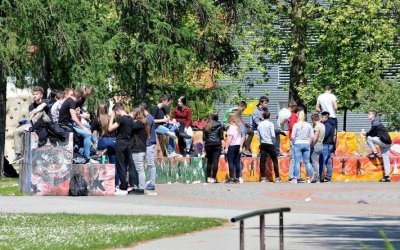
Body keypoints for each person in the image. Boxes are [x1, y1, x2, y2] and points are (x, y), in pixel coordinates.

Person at [12, 86, 50, 163]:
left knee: (39, 111)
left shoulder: (45, 101)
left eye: (36, 94)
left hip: (45, 123)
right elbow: (31, 117)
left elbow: (40, 108)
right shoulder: (31, 106)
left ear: (41, 95)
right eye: (33, 94)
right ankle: (18, 154)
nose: (34, 96)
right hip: (34, 124)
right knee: (16, 131)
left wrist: (35, 111)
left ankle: (32, 128)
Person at [58, 89, 96, 163]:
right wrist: (83, 127)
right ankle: (87, 158)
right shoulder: (72, 102)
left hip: (66, 123)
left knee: (87, 130)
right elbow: (74, 118)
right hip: (65, 125)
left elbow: (71, 115)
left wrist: (77, 113)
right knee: (87, 134)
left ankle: (84, 152)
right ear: (80, 97)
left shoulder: (69, 100)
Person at [108, 103, 135, 191]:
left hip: (120, 143)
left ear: (118, 110)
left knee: (120, 164)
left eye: (115, 112)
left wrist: (111, 117)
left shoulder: (121, 119)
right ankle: (132, 183)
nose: (115, 114)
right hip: (128, 143)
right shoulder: (131, 119)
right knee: (128, 164)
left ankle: (123, 183)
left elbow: (110, 128)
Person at [91, 104, 119, 186]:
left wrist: (92, 142)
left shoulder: (97, 120)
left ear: (98, 110)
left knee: (102, 162)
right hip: (113, 141)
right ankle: (115, 184)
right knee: (114, 164)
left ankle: (104, 183)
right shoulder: (111, 118)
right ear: (106, 110)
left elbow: (90, 131)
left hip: (103, 142)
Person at [363, 110, 392, 182]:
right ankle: (387, 177)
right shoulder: (377, 122)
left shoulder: (375, 122)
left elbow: (371, 134)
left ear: (373, 115)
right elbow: (374, 133)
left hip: (383, 141)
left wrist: (366, 133)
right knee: (386, 159)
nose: (368, 115)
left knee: (368, 138)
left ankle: (374, 153)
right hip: (387, 142)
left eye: (369, 114)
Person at [128, 107, 150, 195]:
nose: (132, 113)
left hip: (138, 149)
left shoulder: (139, 123)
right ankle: (138, 187)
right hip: (140, 148)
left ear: (137, 114)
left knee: (139, 169)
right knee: (138, 169)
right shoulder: (142, 122)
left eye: (133, 112)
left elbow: (130, 126)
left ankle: (141, 188)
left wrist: (129, 117)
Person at [291, 110, 315, 183]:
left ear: (298, 116)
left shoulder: (296, 125)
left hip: (297, 143)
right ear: (304, 117)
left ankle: (295, 178)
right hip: (306, 144)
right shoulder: (308, 125)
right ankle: (308, 178)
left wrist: (294, 142)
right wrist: (309, 142)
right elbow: (312, 136)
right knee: (307, 162)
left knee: (297, 162)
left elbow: (292, 136)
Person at [257, 111, 281, 183]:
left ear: (263, 116)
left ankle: (263, 177)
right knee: (274, 160)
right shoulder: (270, 124)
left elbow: (258, 136)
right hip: (270, 143)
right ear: (269, 116)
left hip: (263, 143)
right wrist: (273, 143)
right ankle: (277, 177)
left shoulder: (260, 125)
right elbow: (273, 135)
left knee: (262, 160)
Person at [139, 103, 157, 190]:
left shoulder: (149, 118)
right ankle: (149, 182)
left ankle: (152, 182)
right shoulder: (149, 117)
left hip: (149, 143)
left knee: (150, 163)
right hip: (148, 143)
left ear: (143, 110)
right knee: (148, 163)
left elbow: (146, 131)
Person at [203, 113, 224, 183]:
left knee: (209, 161)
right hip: (217, 145)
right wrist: (223, 147)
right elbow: (221, 137)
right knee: (215, 162)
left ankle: (208, 178)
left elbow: (204, 138)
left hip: (208, 145)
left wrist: (204, 148)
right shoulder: (219, 125)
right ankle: (213, 178)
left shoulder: (206, 124)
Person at [223, 113, 242, 183]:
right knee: (237, 162)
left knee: (231, 162)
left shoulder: (231, 128)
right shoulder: (238, 127)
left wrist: (226, 148)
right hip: (238, 145)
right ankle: (237, 178)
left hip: (232, 146)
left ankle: (231, 178)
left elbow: (229, 139)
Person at [319, 111, 336, 183]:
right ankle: (328, 177)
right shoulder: (331, 124)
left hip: (326, 144)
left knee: (323, 161)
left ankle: (321, 176)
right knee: (328, 161)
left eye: (321, 117)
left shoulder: (327, 125)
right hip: (330, 144)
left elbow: (325, 135)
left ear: (325, 117)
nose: (320, 118)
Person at [310, 113, 325, 183]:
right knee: (319, 162)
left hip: (316, 145)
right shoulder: (323, 125)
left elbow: (315, 137)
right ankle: (319, 177)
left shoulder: (317, 126)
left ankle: (317, 178)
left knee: (315, 162)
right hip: (321, 144)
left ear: (313, 119)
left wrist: (312, 145)